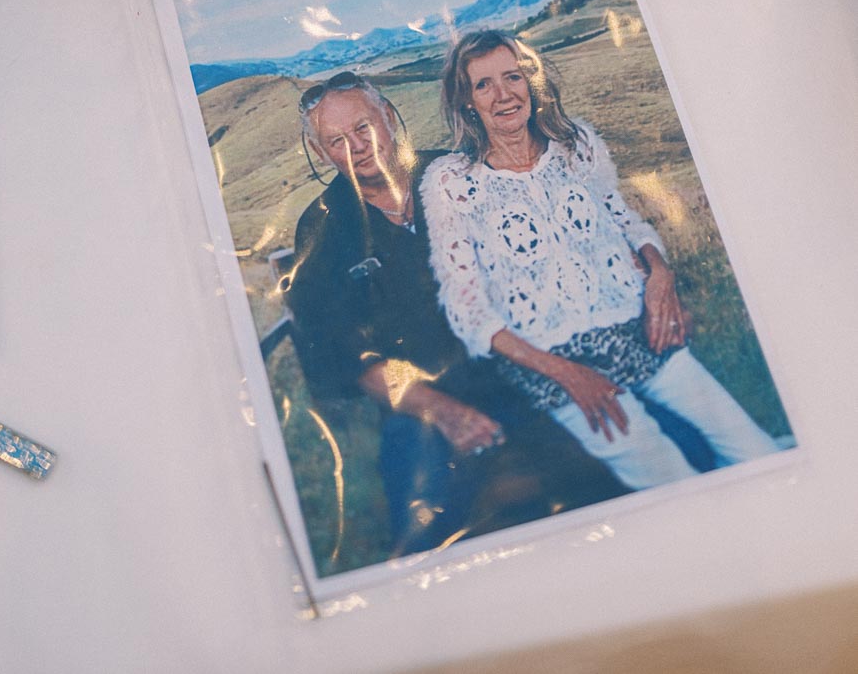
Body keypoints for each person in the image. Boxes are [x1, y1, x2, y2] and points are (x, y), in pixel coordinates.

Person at [286, 69, 627, 558]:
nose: (357, 147)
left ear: (389, 118)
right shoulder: (320, 232)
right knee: (426, 544)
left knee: (619, 474)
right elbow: (344, 358)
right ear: (321, 154)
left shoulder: (460, 176)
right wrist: (444, 411)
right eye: (336, 141)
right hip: (421, 407)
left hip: (523, 369)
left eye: (363, 128)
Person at [420, 30, 780, 491]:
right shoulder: (450, 182)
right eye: (484, 84)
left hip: (637, 331)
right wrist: (568, 373)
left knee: (754, 449)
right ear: (467, 101)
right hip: (552, 364)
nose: (504, 94)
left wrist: (660, 277)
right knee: (671, 481)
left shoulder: (577, 144)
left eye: (513, 76)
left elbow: (627, 222)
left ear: (532, 82)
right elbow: (468, 311)